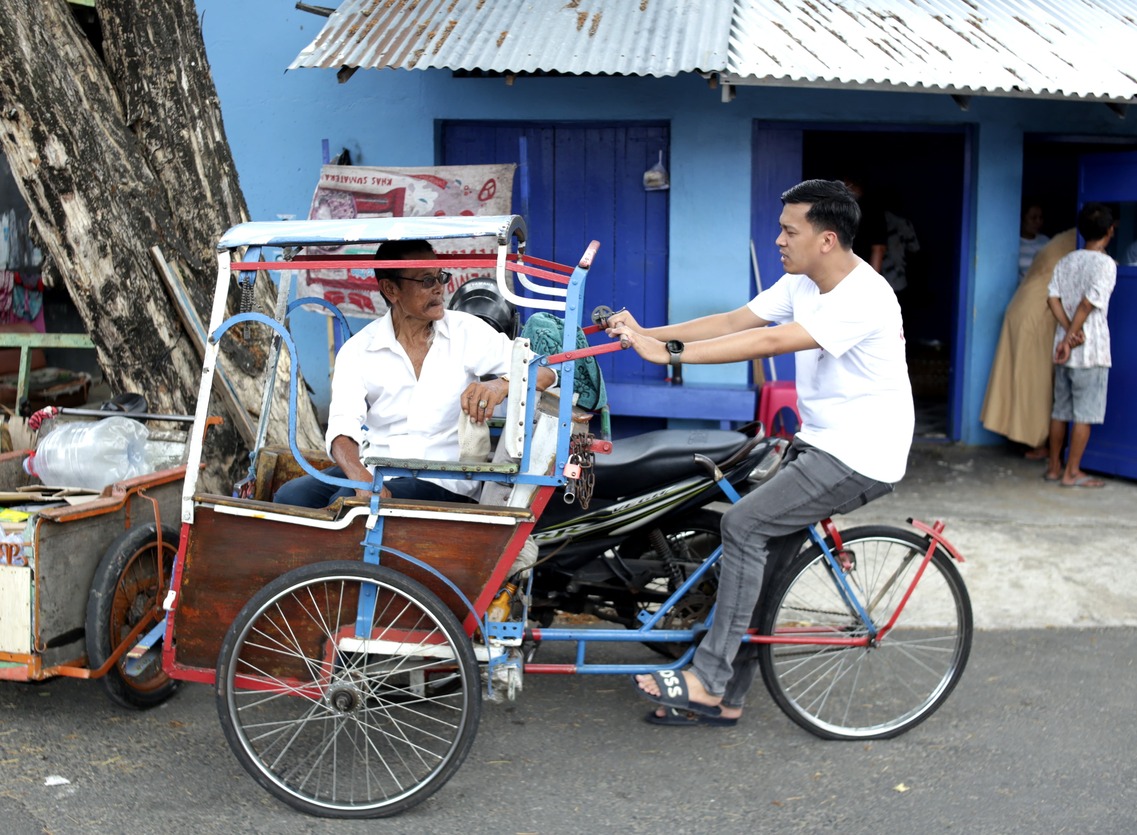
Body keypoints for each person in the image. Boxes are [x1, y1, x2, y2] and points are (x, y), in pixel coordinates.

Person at [607, 179, 913, 724]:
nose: (777, 239)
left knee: (744, 527)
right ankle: (727, 698)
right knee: (764, 556)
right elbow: (732, 322)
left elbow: (770, 342)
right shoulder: (802, 282)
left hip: (861, 453)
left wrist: (670, 356)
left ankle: (707, 679)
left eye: (788, 230)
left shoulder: (864, 296)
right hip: (821, 440)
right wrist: (645, 333)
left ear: (826, 239)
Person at [273, 239, 556, 507]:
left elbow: (547, 373)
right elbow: (341, 430)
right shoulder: (360, 349)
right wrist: (363, 479)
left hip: (445, 478)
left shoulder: (466, 332)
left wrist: (502, 384)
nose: (439, 289)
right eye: (426, 281)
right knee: (291, 497)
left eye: (440, 278)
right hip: (381, 465)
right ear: (391, 290)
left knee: (345, 504)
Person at [980, 229, 1077, 458]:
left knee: (1018, 377)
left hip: (1022, 307)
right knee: (1037, 381)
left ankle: (1021, 435)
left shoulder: (1059, 240)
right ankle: (1037, 442)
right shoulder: (1077, 244)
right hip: (1038, 314)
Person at [1043, 203, 1117, 488]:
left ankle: (1053, 468)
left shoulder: (1067, 260)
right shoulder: (1106, 264)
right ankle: (1072, 473)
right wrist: (1073, 334)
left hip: (1063, 350)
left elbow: (1052, 299)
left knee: (1060, 411)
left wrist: (1065, 334)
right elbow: (1088, 304)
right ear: (1110, 231)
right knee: (1084, 414)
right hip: (1091, 350)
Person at [841, 176, 887, 273]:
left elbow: (878, 249)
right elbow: (879, 249)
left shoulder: (872, 210)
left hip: (851, 273)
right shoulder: (873, 210)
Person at [1019, 200, 1050, 283]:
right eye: (1033, 218)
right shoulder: (1015, 244)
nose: (1038, 222)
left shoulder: (1045, 241)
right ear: (1022, 220)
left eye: (1041, 218)